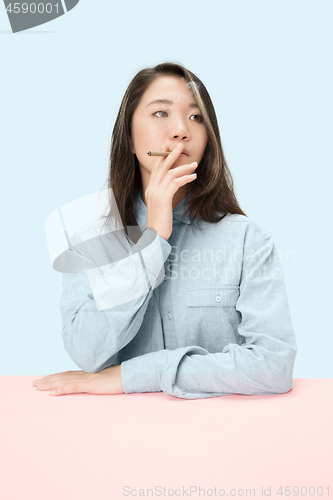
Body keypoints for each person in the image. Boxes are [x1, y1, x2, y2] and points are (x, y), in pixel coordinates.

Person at [33, 62, 297, 399]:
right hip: (120, 436)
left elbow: (274, 366)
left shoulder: (247, 240)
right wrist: (153, 239)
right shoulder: (90, 239)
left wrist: (139, 374)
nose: (181, 131)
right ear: (128, 137)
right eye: (161, 113)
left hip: (223, 437)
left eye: (196, 117)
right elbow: (86, 352)